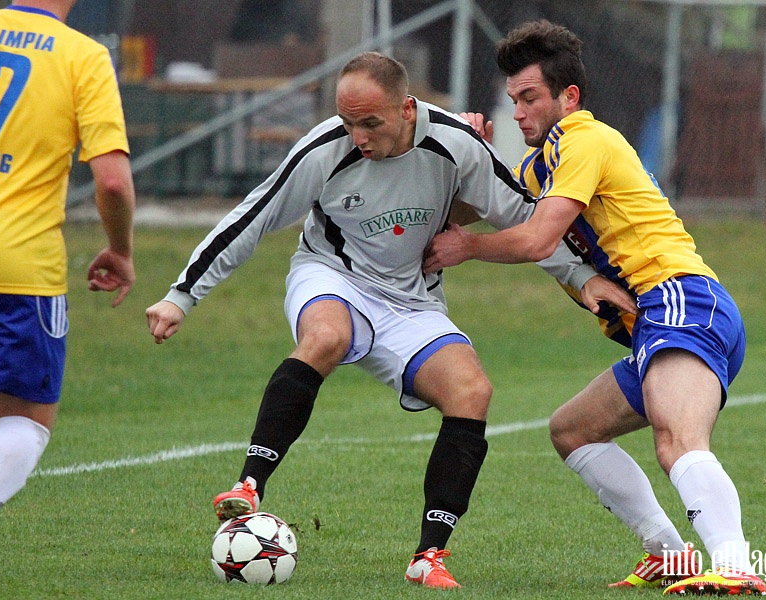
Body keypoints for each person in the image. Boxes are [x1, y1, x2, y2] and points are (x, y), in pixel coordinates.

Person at [146, 51, 632, 589]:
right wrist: (182, 295)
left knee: (472, 392)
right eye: (348, 121)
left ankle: (429, 556)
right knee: (327, 335)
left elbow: (525, 218)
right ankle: (249, 486)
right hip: (333, 276)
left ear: (406, 108)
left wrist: (583, 279)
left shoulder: (455, 144)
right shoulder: (324, 149)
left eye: (370, 122)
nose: (357, 136)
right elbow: (252, 220)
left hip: (412, 300)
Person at [423, 20, 766, 597]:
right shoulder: (541, 166)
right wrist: (467, 157)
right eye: (513, 101)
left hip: (681, 298)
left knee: (677, 440)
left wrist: (468, 249)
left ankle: (735, 566)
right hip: (657, 322)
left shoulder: (584, 140)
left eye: (531, 97)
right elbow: (469, 211)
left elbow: (533, 240)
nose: (519, 112)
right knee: (573, 431)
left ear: (570, 97)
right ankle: (671, 554)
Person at [0, 2, 136, 599]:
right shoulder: (81, 57)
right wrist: (121, 249)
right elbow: (113, 179)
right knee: (29, 423)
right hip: (18, 264)